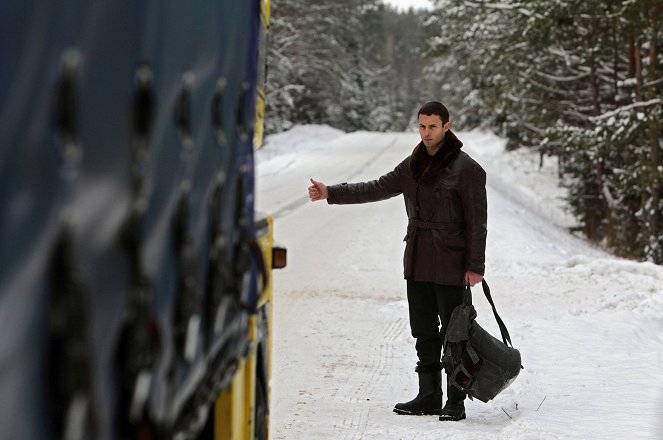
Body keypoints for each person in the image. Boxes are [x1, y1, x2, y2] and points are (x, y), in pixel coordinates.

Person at [307, 101, 487, 422]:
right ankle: (430, 395)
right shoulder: (412, 165)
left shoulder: (466, 169)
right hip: (417, 257)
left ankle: (455, 401)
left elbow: (477, 222)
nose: (426, 133)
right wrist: (331, 192)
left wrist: (475, 265)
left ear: (446, 126)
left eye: (432, 126)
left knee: (455, 332)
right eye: (421, 126)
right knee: (423, 330)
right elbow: (377, 187)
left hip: (451, 261)